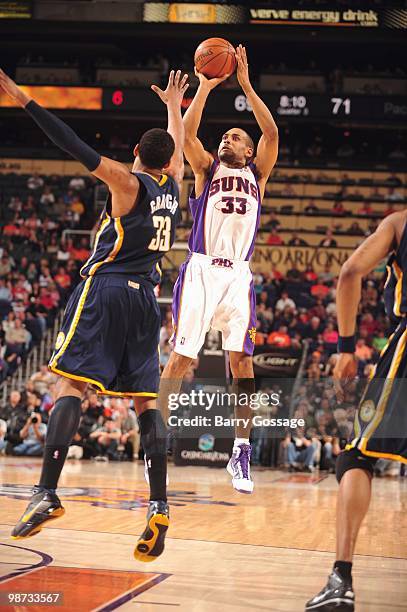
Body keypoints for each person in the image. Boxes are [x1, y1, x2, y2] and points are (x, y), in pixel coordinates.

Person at [0, 67, 188, 562]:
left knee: (70, 386)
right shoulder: (176, 186)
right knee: (148, 404)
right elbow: (179, 149)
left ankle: (46, 491)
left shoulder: (126, 183)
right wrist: (175, 105)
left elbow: (71, 143)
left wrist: (20, 97)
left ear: (135, 156)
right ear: (169, 161)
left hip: (105, 290)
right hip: (148, 301)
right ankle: (159, 504)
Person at [158, 45, 279, 494]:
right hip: (203, 270)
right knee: (181, 358)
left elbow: (271, 131)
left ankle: (240, 452)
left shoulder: (259, 174)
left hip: (239, 277)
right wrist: (207, 87)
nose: (226, 140)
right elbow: (187, 138)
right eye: (225, 137)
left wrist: (246, 85)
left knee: (241, 364)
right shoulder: (206, 170)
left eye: (234, 138)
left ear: (249, 151)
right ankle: (157, 440)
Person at [306, 210, 407, 611]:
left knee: (356, 456)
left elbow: (349, 273)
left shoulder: (400, 223)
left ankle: (340, 580)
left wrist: (346, 350)